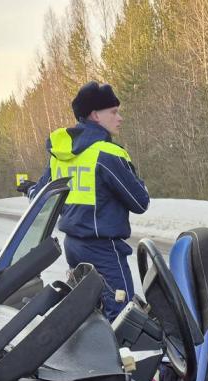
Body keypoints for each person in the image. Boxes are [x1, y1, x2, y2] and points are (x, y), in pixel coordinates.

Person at [49, 81, 149, 319]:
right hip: (104, 251)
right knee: (122, 318)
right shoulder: (107, 154)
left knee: (88, 315)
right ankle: (122, 357)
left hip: (73, 246)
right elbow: (140, 202)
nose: (120, 118)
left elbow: (43, 194)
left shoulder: (61, 155)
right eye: (113, 112)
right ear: (95, 115)